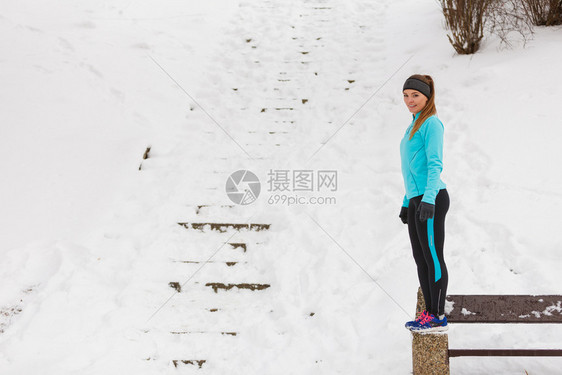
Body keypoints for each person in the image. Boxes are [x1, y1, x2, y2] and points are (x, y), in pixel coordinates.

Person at [399, 74, 450, 332]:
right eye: (406, 95)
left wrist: (427, 199)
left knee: (433, 256)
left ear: (427, 97)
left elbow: (434, 165)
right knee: (421, 258)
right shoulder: (413, 125)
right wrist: (407, 201)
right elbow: (411, 170)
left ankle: (438, 316)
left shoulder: (431, 124)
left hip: (432, 199)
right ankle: (428, 314)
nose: (410, 100)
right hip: (418, 199)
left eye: (415, 95)